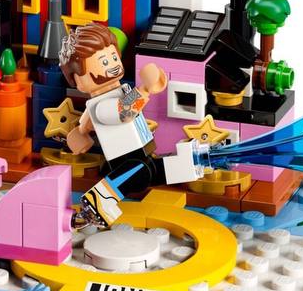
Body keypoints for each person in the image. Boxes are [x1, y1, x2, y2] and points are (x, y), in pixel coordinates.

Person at [60, 23, 199, 227]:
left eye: (113, 57)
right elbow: (123, 112)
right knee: (139, 171)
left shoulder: (121, 91)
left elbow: (89, 123)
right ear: (78, 81)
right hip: (125, 157)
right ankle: (95, 204)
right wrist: (145, 89)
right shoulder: (100, 106)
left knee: (155, 171)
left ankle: (193, 163)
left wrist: (149, 87)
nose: (112, 65)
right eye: (104, 61)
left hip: (142, 151)